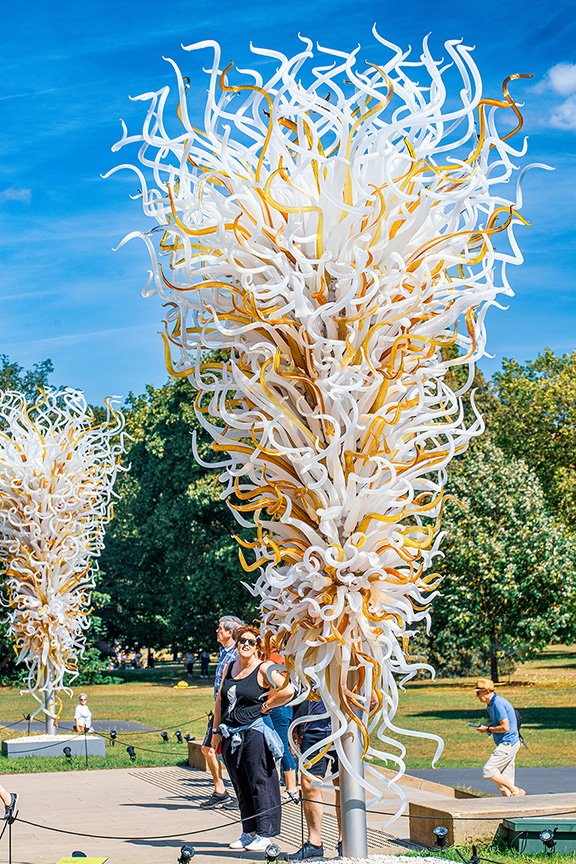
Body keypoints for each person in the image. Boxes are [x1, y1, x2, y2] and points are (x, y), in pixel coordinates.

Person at [213, 625, 294, 853]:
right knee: (241, 784)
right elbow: (220, 700)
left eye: (251, 642)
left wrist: (267, 705)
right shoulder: (231, 667)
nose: (246, 645)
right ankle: (248, 832)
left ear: (258, 647)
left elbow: (288, 690)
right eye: (242, 641)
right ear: (237, 644)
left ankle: (264, 834)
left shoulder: (263, 668)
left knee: (261, 782)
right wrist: (216, 732)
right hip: (230, 734)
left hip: (253, 734)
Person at [288, 695, 341, 861]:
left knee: (344, 784)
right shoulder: (311, 667)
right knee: (309, 783)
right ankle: (314, 843)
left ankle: (345, 840)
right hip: (315, 729)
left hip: (346, 729)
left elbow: (373, 699)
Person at [199, 615, 244, 808]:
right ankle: (220, 791)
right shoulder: (225, 652)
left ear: (229, 633)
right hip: (220, 709)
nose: (217, 631)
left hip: (230, 710)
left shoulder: (236, 654)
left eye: (220, 629)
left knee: (231, 754)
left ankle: (241, 796)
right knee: (208, 749)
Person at [473, 678, 525, 797]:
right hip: (510, 743)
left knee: (489, 770)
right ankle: (509, 806)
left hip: (508, 743)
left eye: (478, 693)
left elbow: (505, 727)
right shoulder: (493, 704)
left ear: (487, 692)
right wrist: (490, 727)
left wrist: (487, 729)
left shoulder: (497, 704)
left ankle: (517, 791)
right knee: (504, 781)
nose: (477, 696)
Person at [265, 640, 298, 800]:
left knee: (282, 745)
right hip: (277, 706)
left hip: (279, 706)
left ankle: (291, 786)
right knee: (277, 745)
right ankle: (282, 782)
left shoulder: (276, 658)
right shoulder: (276, 657)